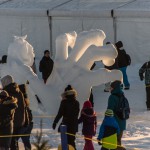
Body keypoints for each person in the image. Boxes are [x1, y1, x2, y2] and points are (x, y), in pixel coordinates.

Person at [1, 75, 26, 150]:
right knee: (14, 142)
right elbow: (24, 107)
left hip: (11, 121)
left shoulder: (7, 93)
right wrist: (26, 121)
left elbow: (4, 109)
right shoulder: (19, 92)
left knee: (11, 143)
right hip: (20, 121)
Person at [52, 85, 80, 150]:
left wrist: (55, 122)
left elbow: (60, 114)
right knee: (72, 142)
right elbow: (76, 114)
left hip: (66, 125)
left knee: (65, 142)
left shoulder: (64, 102)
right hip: (74, 125)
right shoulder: (77, 102)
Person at [107, 80, 126, 150]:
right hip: (122, 123)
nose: (110, 89)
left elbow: (109, 111)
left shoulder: (112, 97)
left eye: (111, 88)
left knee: (114, 144)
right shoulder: (122, 96)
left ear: (115, 88)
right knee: (118, 142)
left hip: (114, 123)